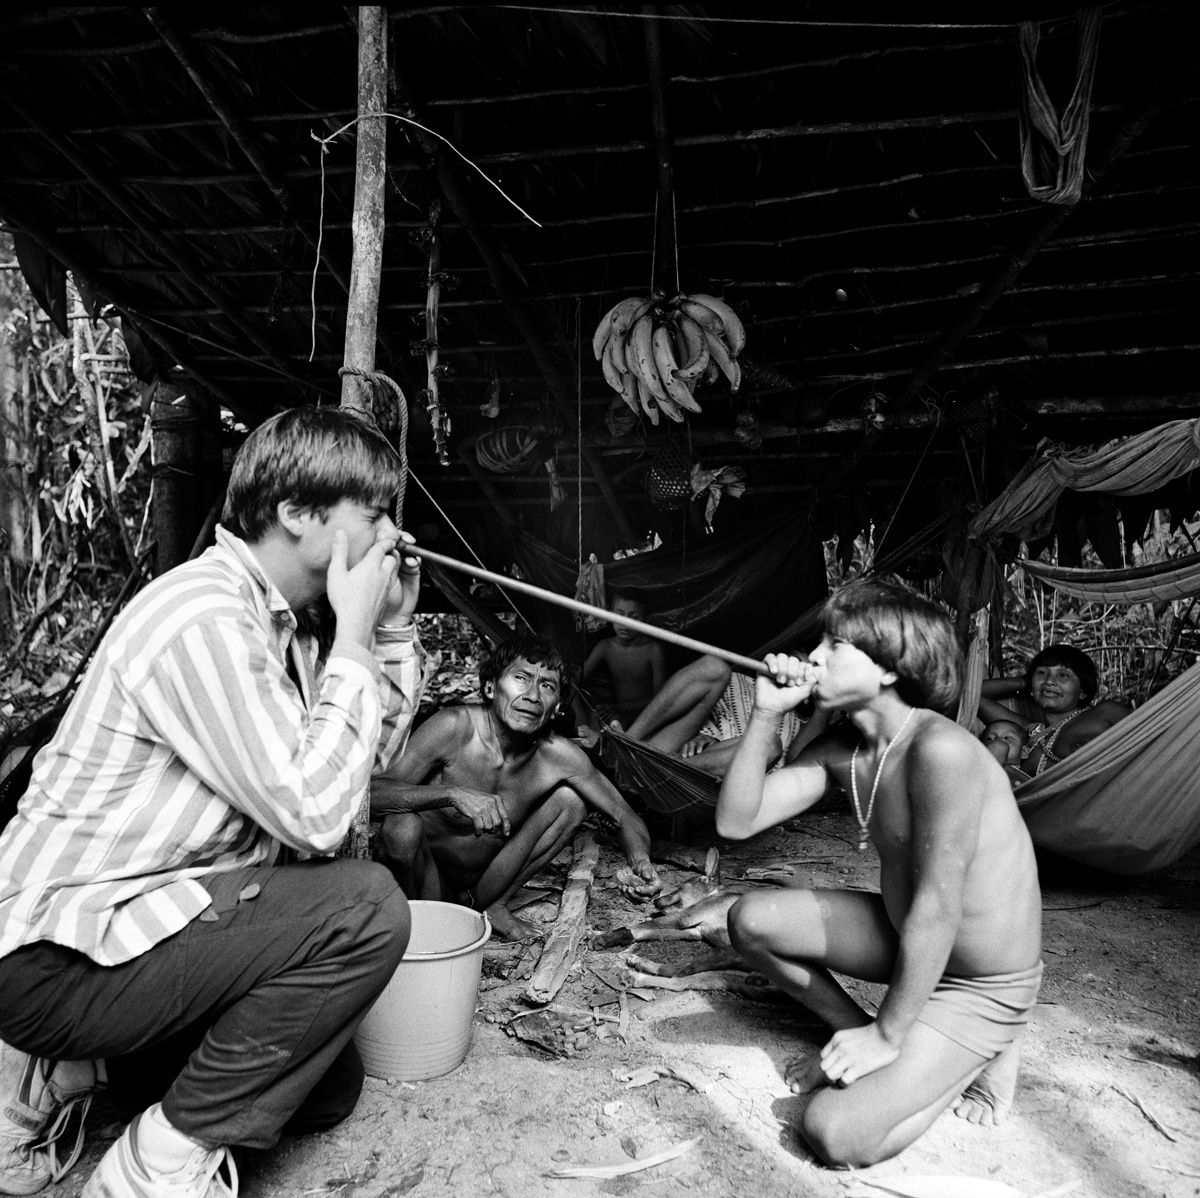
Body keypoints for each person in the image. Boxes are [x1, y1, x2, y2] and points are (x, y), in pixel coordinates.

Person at [0, 406, 425, 1198]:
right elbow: (318, 815)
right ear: (299, 514)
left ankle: (85, 1069)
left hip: (158, 925)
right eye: (374, 515)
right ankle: (148, 1169)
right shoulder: (204, 615)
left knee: (329, 1090)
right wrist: (357, 643)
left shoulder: (292, 630)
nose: (393, 536)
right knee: (367, 907)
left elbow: (356, 769)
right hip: (59, 956)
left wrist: (387, 633)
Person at [717, 579, 1043, 1168]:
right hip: (908, 944)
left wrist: (891, 1038)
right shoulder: (846, 753)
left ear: (891, 669)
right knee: (752, 919)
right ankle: (860, 1032)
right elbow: (737, 822)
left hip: (980, 981)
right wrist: (765, 716)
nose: (813, 657)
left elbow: (938, 907)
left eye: (835, 645)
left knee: (834, 1132)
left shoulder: (941, 750)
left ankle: (989, 1042)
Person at [373, 635, 661, 941]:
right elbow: (371, 797)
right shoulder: (454, 727)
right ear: (490, 688)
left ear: (557, 706)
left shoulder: (558, 756)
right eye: (521, 678)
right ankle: (415, 929)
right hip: (417, 882)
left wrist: (640, 862)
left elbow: (625, 815)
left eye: (547, 686)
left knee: (572, 801)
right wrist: (451, 794)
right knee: (402, 826)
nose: (533, 695)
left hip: (475, 890)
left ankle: (493, 904)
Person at [623, 654, 810, 777]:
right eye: (791, 660)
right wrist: (707, 734)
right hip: (667, 749)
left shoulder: (802, 723)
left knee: (769, 743)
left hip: (696, 777)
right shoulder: (740, 681)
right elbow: (698, 708)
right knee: (714, 666)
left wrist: (821, 707)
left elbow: (795, 762)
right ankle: (624, 742)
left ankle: (663, 771)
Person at [978, 644, 1130, 777]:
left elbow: (1147, 751)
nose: (1049, 681)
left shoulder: (1104, 714)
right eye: (1042, 673)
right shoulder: (1028, 733)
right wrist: (1026, 682)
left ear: (1083, 691)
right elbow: (974, 696)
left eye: (1063, 675)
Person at [575, 590, 668, 739]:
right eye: (619, 614)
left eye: (634, 617)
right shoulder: (606, 647)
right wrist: (580, 717)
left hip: (645, 715)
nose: (624, 623)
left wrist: (618, 708)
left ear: (645, 619)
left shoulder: (653, 650)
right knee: (597, 719)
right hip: (615, 714)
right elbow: (574, 683)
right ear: (610, 614)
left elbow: (662, 700)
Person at [980, 717, 1029, 783]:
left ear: (1024, 752)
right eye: (989, 739)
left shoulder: (1028, 780)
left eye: (1007, 738)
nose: (998, 740)